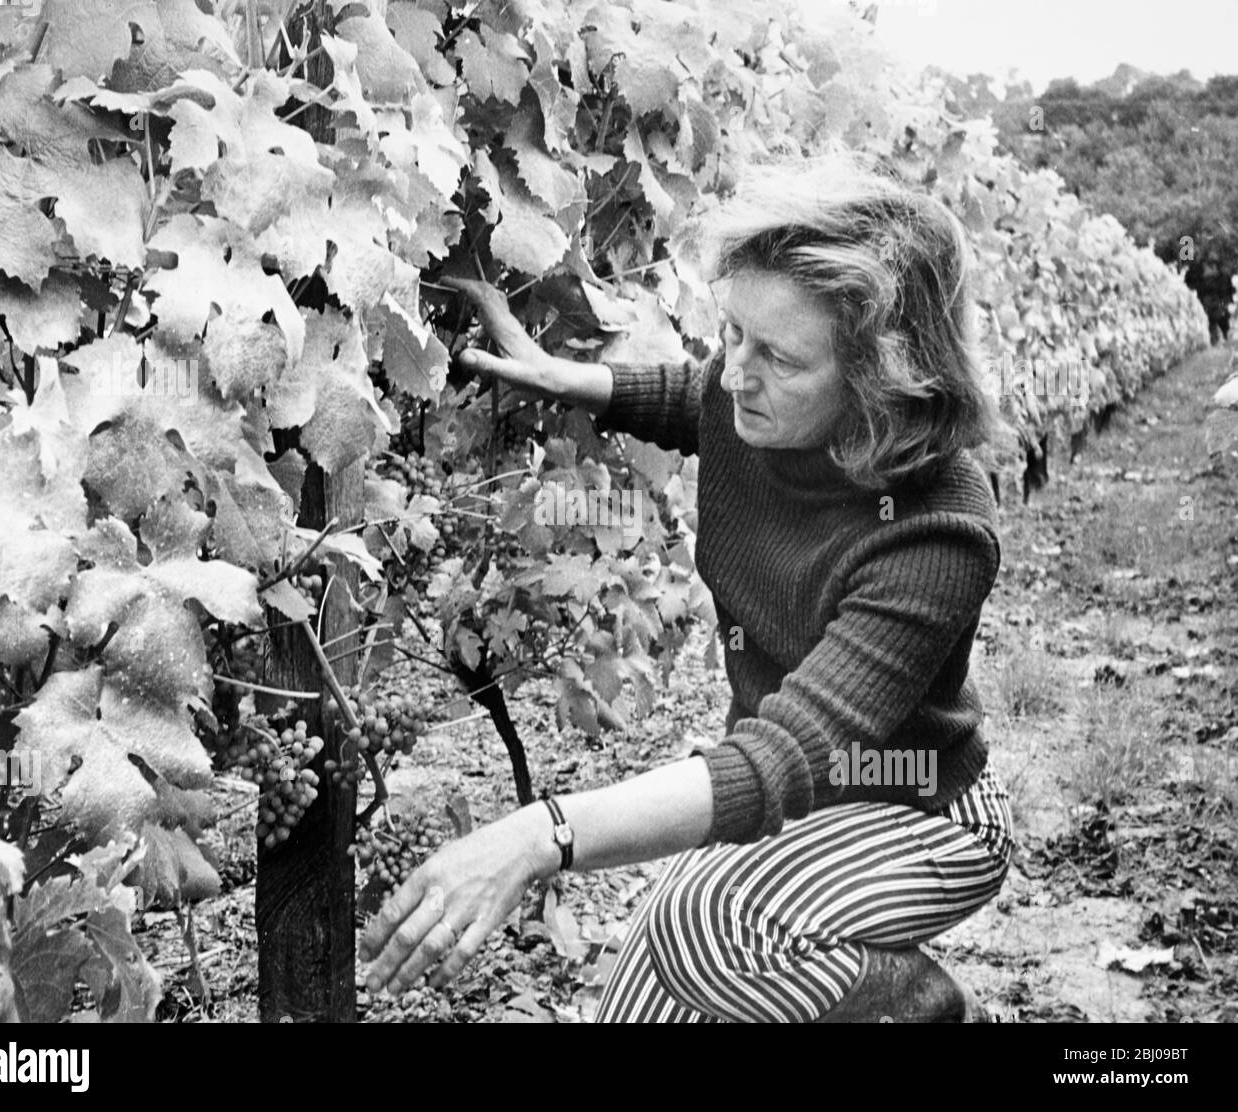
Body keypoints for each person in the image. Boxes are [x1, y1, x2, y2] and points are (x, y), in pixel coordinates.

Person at [359, 150, 1015, 1022]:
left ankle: (919, 1005)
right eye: (733, 333)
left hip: (920, 810)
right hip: (805, 801)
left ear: (880, 377)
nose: (737, 371)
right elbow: (693, 395)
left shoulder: (940, 528)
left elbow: (776, 759)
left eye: (776, 355)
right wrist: (577, 381)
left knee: (702, 926)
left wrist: (540, 833)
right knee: (641, 997)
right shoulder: (758, 398)